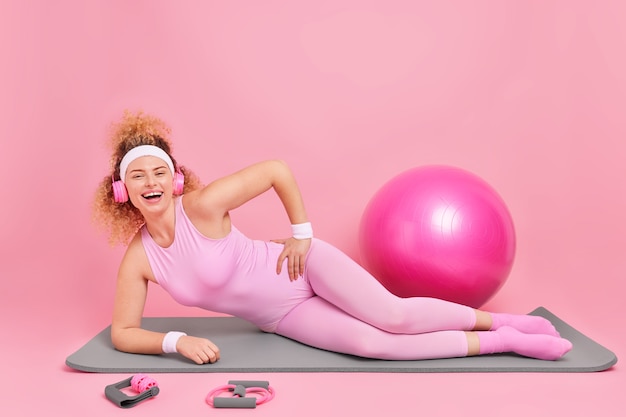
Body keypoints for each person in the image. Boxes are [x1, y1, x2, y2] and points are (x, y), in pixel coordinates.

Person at [92, 111, 573, 365]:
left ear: (176, 180)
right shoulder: (140, 259)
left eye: (160, 172)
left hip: (304, 266)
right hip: (281, 315)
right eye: (138, 176)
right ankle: (504, 344)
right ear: (121, 190)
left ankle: (508, 325)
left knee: (395, 316)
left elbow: (276, 170)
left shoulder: (201, 204)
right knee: (374, 346)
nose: (150, 182)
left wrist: (302, 234)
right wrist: (177, 342)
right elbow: (123, 333)